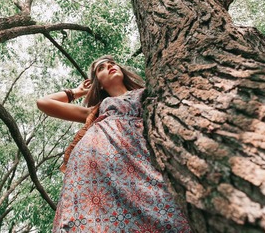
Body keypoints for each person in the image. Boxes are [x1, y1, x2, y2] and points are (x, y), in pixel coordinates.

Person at [37, 55, 190, 232]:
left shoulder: (149, 93)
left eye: (111, 64)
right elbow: (44, 103)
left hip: (141, 160)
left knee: (170, 211)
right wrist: (77, 91)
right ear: (99, 84)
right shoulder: (98, 109)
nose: (109, 66)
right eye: (101, 68)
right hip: (94, 175)